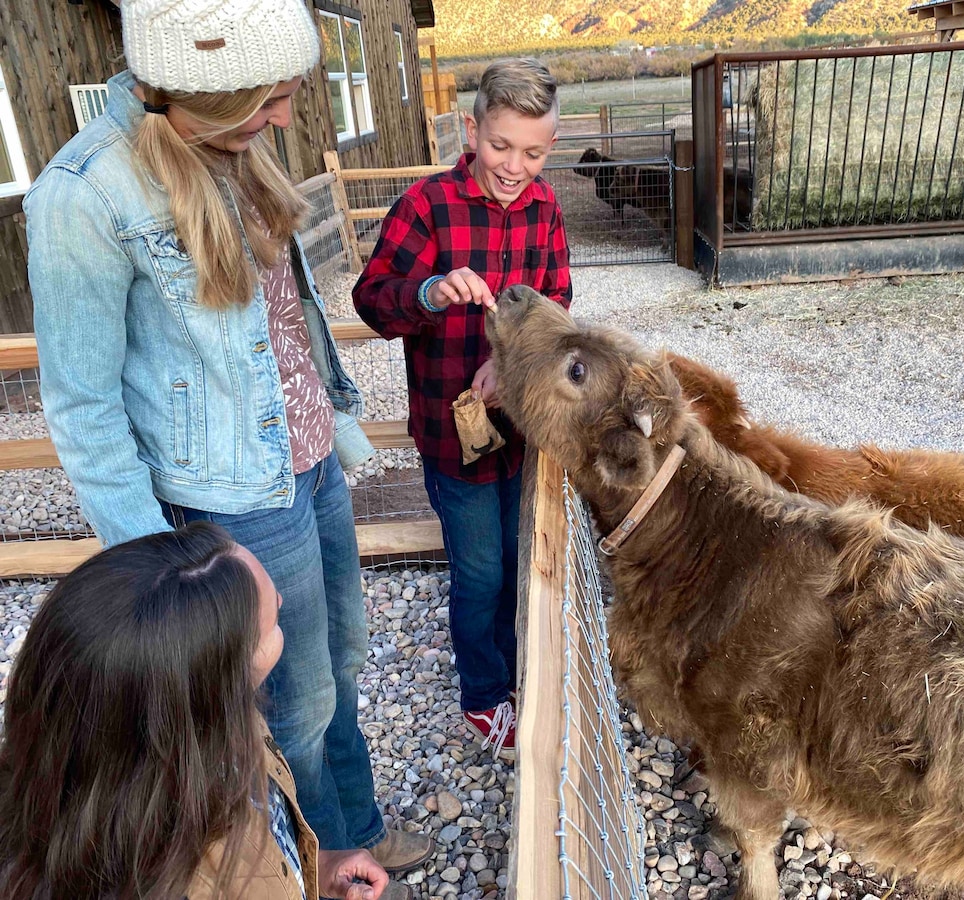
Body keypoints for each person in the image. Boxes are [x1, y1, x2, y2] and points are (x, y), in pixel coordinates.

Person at [22, 0, 432, 873]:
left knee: (342, 663)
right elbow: (84, 410)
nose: (284, 114)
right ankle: (304, 865)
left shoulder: (229, 143)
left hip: (309, 462)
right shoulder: (84, 193)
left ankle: (350, 826)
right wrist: (158, 581)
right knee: (290, 701)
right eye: (267, 96)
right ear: (196, 87)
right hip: (235, 501)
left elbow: (284, 324)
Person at [353, 58, 573, 761]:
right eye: (502, 145)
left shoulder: (544, 209)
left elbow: (558, 301)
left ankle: (524, 671)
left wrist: (513, 361)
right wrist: (429, 293)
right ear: (471, 129)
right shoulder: (426, 206)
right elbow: (371, 300)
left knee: (519, 555)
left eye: (534, 152)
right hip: (454, 436)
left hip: (525, 427)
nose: (515, 166)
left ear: (551, 148)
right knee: (478, 569)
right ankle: (485, 697)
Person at [0, 523, 395, 899]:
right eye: (271, 623)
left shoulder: (219, 723)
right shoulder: (167, 883)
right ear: (215, 681)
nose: (281, 601)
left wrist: (315, 869)